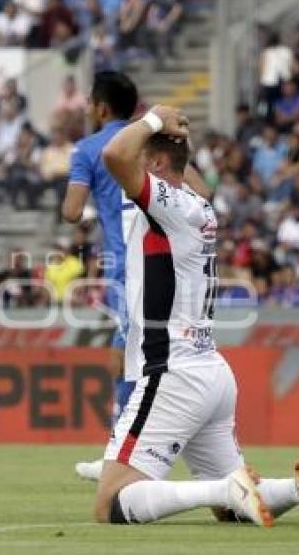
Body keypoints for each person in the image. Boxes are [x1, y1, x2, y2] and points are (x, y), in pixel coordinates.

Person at [91, 104, 299, 527]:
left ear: (155, 163)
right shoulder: (197, 204)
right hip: (210, 371)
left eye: (146, 160)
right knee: (230, 511)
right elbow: (146, 165)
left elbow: (114, 156)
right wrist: (174, 136)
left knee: (111, 502)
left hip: (175, 371)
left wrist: (152, 119)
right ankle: (298, 488)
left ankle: (226, 487)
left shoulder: (167, 204)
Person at [64, 71, 211, 481]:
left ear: (100, 107)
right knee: (137, 353)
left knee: (132, 356)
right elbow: (201, 193)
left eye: (91, 104)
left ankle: (122, 447)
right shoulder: (148, 142)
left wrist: (92, 190)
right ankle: (129, 445)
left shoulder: (92, 149)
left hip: (129, 265)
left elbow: (72, 211)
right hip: (168, 258)